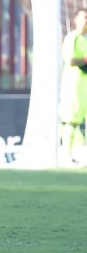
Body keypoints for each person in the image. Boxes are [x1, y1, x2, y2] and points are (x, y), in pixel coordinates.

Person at [59, 9, 87, 163]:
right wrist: (84, 59)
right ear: (76, 20)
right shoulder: (72, 37)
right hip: (74, 86)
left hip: (85, 85)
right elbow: (70, 60)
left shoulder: (85, 39)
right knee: (72, 120)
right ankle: (67, 155)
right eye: (84, 18)